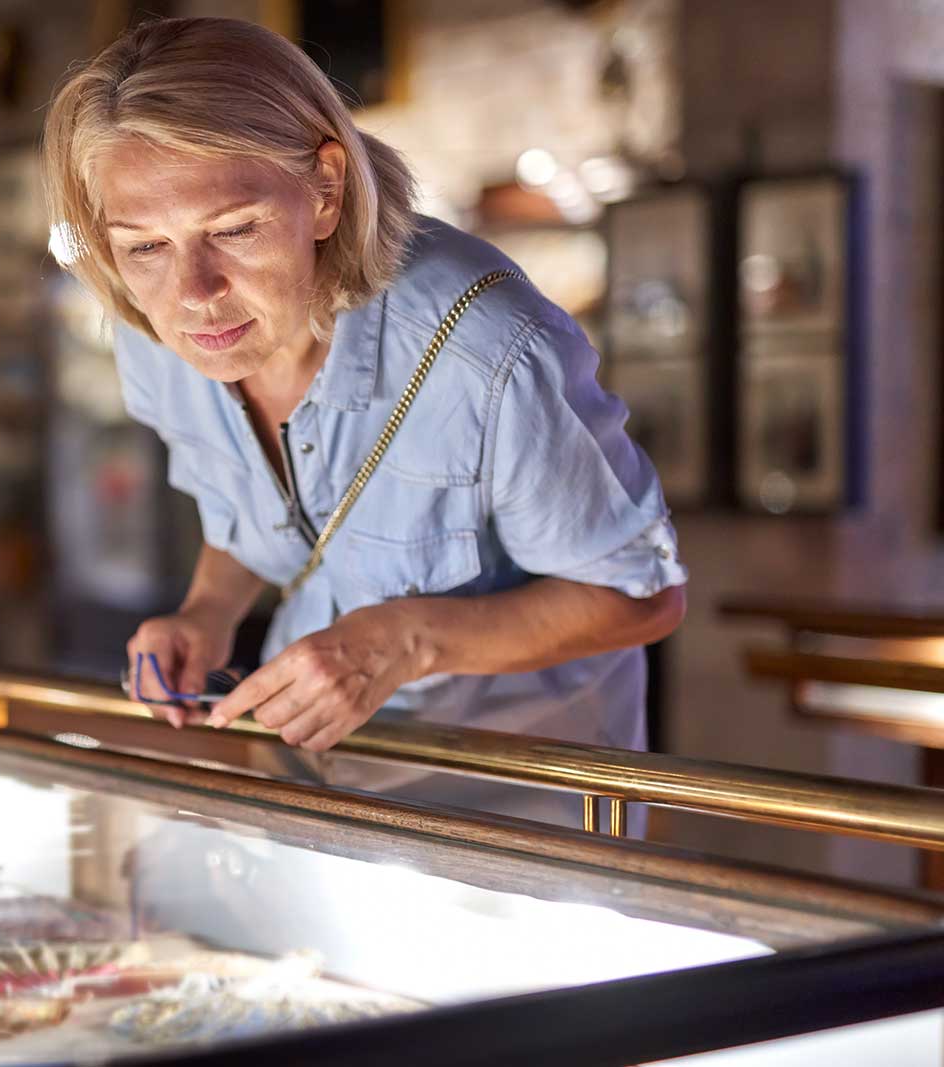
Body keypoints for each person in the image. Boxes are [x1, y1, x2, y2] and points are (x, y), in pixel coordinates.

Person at [40, 17, 687, 825]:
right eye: (144, 247)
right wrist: (207, 612)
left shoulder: (488, 350)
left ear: (325, 188)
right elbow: (260, 508)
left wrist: (397, 640)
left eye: (234, 230)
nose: (193, 291)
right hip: (317, 794)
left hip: (520, 818)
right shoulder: (160, 337)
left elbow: (640, 596)